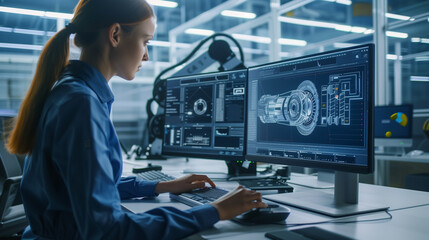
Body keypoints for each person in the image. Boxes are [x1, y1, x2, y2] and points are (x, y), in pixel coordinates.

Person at [6, 0, 267, 239]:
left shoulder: (71, 91)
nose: (146, 56)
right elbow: (108, 229)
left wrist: (159, 186)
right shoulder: (81, 104)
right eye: (146, 41)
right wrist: (214, 211)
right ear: (116, 34)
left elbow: (87, 189)